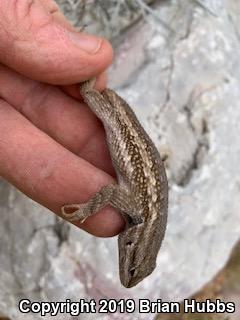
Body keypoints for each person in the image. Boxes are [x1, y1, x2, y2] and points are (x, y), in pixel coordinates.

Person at [0, 0, 124, 237]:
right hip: (119, 124)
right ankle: (82, 65)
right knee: (88, 90)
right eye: (131, 268)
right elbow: (111, 193)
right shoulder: (136, 213)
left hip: (119, 125)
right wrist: (89, 208)